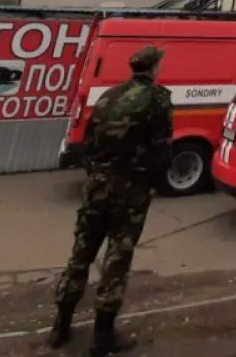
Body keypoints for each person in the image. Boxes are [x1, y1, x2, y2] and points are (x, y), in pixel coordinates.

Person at [48, 45, 173, 355]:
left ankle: (60, 327)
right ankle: (102, 337)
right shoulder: (157, 98)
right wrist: (151, 183)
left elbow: (88, 144)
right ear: (154, 68)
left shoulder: (107, 97)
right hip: (129, 191)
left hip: (96, 187)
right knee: (116, 259)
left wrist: (97, 174)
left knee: (81, 254)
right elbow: (162, 149)